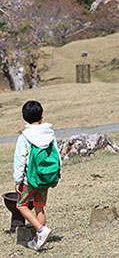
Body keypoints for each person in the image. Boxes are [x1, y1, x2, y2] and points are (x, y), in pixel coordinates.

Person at [13, 100, 62, 250]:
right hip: (45, 178)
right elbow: (57, 155)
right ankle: (39, 239)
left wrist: (18, 180)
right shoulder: (49, 134)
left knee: (21, 205)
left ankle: (41, 230)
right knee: (39, 207)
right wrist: (57, 175)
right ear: (42, 115)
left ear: (24, 118)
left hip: (31, 180)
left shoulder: (24, 137)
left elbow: (20, 160)